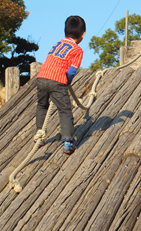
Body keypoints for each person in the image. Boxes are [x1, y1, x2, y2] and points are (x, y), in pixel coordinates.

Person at [35, 16, 86, 155]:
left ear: (65, 31)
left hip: (41, 77)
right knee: (64, 110)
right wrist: (67, 83)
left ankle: (39, 135)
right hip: (57, 80)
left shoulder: (57, 44)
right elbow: (72, 71)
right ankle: (68, 141)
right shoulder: (77, 50)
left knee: (41, 105)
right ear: (83, 34)